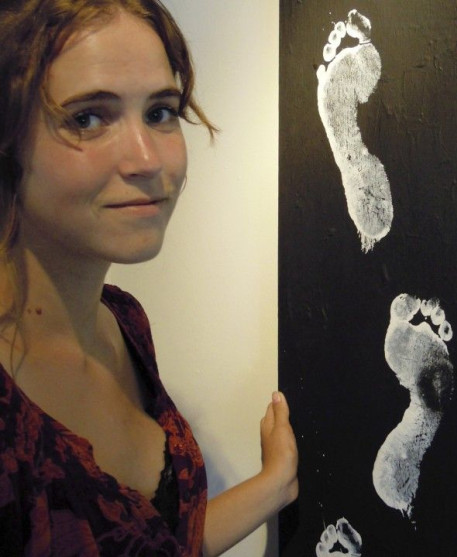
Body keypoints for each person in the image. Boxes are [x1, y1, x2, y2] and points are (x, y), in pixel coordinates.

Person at [0, 0, 298, 555]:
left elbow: (145, 542)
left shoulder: (122, 321)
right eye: (88, 117)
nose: (146, 159)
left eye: (160, 111)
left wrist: (273, 484)